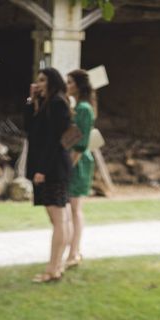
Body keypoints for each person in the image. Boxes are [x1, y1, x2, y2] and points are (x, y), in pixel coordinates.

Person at [24, 68, 72, 283]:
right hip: (46, 167)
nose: (38, 83)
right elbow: (30, 129)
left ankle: (53, 269)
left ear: (52, 81)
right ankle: (57, 266)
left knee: (59, 219)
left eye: (42, 80)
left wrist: (42, 170)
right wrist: (31, 101)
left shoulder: (58, 103)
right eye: (37, 80)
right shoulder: (46, 103)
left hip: (52, 169)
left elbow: (54, 141)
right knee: (57, 220)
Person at [65, 69, 96, 269]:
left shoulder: (84, 108)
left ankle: (74, 253)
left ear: (77, 85)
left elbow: (80, 144)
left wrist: (68, 167)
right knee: (70, 209)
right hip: (73, 159)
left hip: (78, 162)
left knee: (75, 209)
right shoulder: (78, 107)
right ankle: (73, 251)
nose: (66, 86)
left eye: (69, 82)